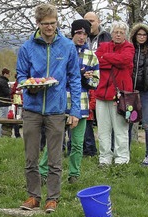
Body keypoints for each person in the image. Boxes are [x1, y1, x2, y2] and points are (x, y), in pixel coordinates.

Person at [16, 3, 81, 213]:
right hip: (32, 109)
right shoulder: (27, 47)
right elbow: (21, 76)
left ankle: (52, 198)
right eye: (45, 24)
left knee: (55, 158)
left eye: (53, 23)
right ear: (38, 24)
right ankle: (33, 196)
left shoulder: (67, 46)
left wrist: (75, 110)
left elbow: (75, 79)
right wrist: (30, 86)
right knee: (31, 156)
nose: (50, 27)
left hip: (56, 109)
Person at [39, 19, 99, 185]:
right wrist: (77, 75)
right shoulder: (61, 51)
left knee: (78, 143)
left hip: (81, 104)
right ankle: (43, 173)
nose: (81, 37)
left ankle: (74, 175)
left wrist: (87, 80)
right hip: (60, 102)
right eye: (78, 33)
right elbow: (53, 77)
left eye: (85, 34)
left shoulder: (91, 56)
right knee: (55, 141)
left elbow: (96, 81)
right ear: (73, 34)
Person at [94, 21, 134, 166]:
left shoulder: (129, 47)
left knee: (120, 129)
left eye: (121, 32)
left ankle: (121, 159)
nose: (118, 34)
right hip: (102, 94)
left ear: (125, 35)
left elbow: (125, 60)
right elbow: (97, 60)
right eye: (116, 32)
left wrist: (107, 58)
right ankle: (104, 158)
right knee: (103, 129)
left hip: (120, 95)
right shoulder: (103, 46)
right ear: (111, 33)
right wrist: (112, 60)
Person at [129, 23, 148, 166]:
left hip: (146, 91)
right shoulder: (130, 50)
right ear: (135, 36)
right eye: (139, 34)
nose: (141, 37)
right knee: (128, 123)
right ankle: (125, 153)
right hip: (130, 92)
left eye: (144, 35)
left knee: (147, 124)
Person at [83, 12, 111, 157]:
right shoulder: (81, 37)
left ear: (98, 21)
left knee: (104, 120)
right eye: (86, 21)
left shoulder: (107, 37)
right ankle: (88, 149)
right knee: (86, 117)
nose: (89, 24)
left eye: (92, 21)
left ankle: (106, 151)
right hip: (85, 82)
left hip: (104, 82)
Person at [0, 68, 13, 137]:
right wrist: (11, 88)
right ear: (5, 74)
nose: (9, 76)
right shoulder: (3, 82)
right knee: (3, 119)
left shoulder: (1, 80)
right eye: (8, 74)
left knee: (3, 118)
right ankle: (0, 135)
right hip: (4, 102)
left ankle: (1, 134)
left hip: (2, 102)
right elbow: (7, 92)